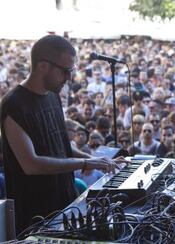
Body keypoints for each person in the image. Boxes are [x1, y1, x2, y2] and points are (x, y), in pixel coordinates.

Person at [0, 35, 127, 234]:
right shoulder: (14, 104)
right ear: (43, 66)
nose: (69, 77)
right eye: (65, 71)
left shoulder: (53, 95)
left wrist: (97, 160)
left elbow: (62, 146)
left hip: (65, 202)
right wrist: (85, 164)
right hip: (35, 214)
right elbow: (31, 164)